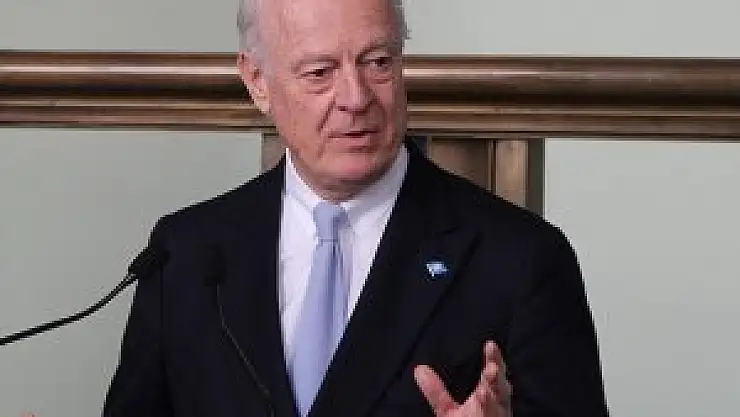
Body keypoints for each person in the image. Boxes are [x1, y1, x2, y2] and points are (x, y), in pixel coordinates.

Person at [103, 0, 609, 415]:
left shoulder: (520, 258)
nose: (356, 97)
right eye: (320, 72)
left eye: (378, 63)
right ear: (257, 81)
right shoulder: (184, 254)